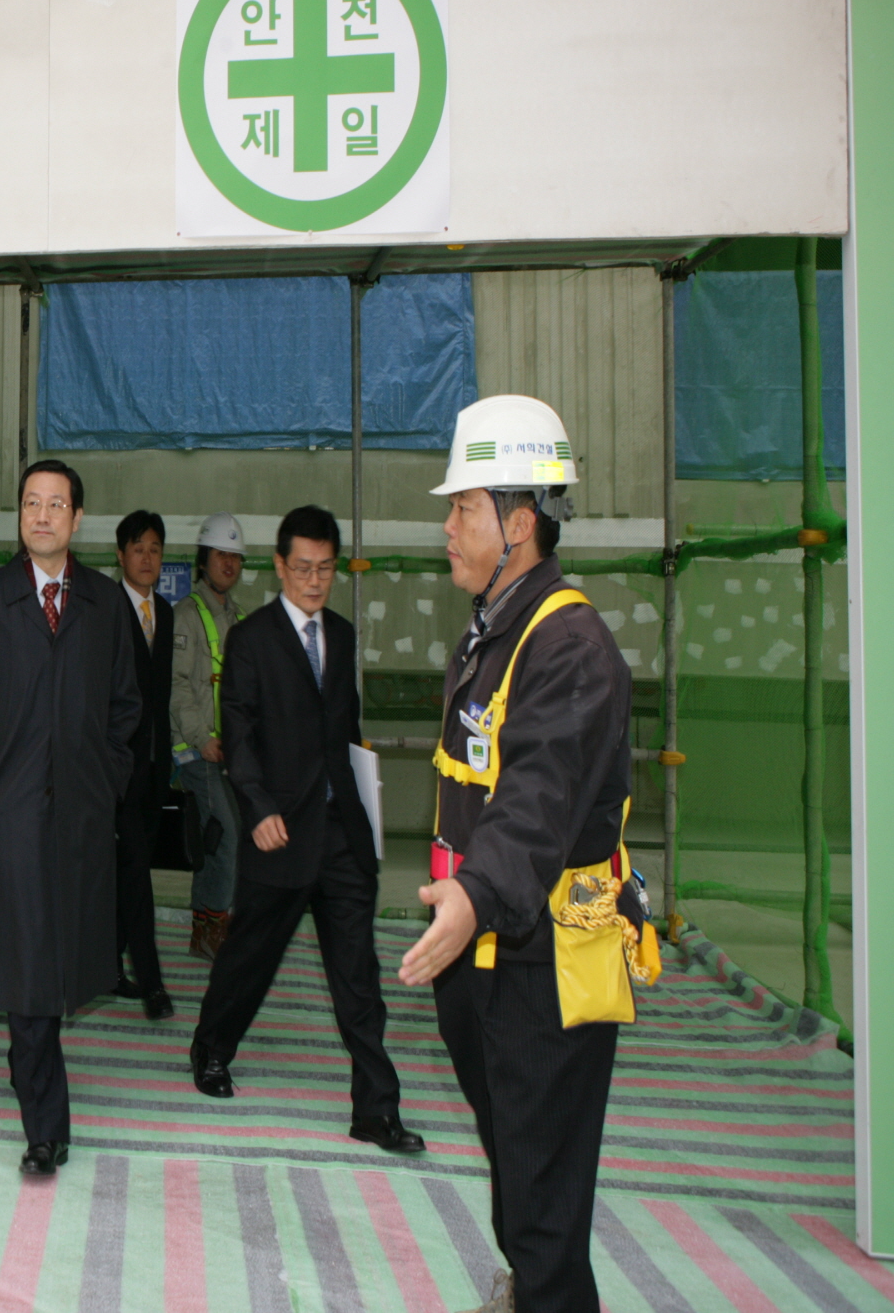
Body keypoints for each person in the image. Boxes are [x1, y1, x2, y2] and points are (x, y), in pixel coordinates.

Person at [397, 396, 635, 1313]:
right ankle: (536, 1286)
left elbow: (537, 799)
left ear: (520, 524)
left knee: (542, 1178)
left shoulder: (568, 646)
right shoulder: (495, 624)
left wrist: (472, 895)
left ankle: (549, 1297)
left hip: (542, 965)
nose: (447, 525)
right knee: (518, 1156)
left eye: (463, 508)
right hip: (485, 947)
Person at [190, 505, 424, 1158]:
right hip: (280, 832)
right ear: (280, 567)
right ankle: (211, 1048)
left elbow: (345, 735)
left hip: (342, 836)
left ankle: (375, 1110)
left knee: (358, 975)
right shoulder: (254, 639)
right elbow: (236, 729)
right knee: (250, 957)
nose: (315, 581)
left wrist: (365, 820)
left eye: (325, 569)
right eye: (303, 569)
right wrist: (258, 807)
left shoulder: (343, 636)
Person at [0, 459, 140, 1176]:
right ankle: (45, 1126)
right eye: (32, 503)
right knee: (27, 971)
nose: (44, 515)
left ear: (78, 519)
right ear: (19, 515)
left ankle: (33, 1076)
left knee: (62, 963)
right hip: (13, 815)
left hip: (82, 815)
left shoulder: (105, 604)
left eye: (57, 504)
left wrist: (105, 779)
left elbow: (127, 707)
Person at [169, 511, 245, 960]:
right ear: (203, 559)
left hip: (232, 754)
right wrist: (203, 739)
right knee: (226, 836)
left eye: (235, 556)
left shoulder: (240, 617)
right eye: (220, 554)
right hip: (197, 753)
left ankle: (207, 929)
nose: (229, 563)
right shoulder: (186, 616)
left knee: (219, 840)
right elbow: (178, 688)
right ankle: (212, 928)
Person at [112, 508, 176, 1019]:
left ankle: (109, 967)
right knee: (136, 874)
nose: (148, 558)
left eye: (155, 549)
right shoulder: (106, 611)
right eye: (138, 549)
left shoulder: (168, 612)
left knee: (132, 868)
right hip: (117, 770)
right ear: (120, 556)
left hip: (157, 764)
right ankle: (153, 984)